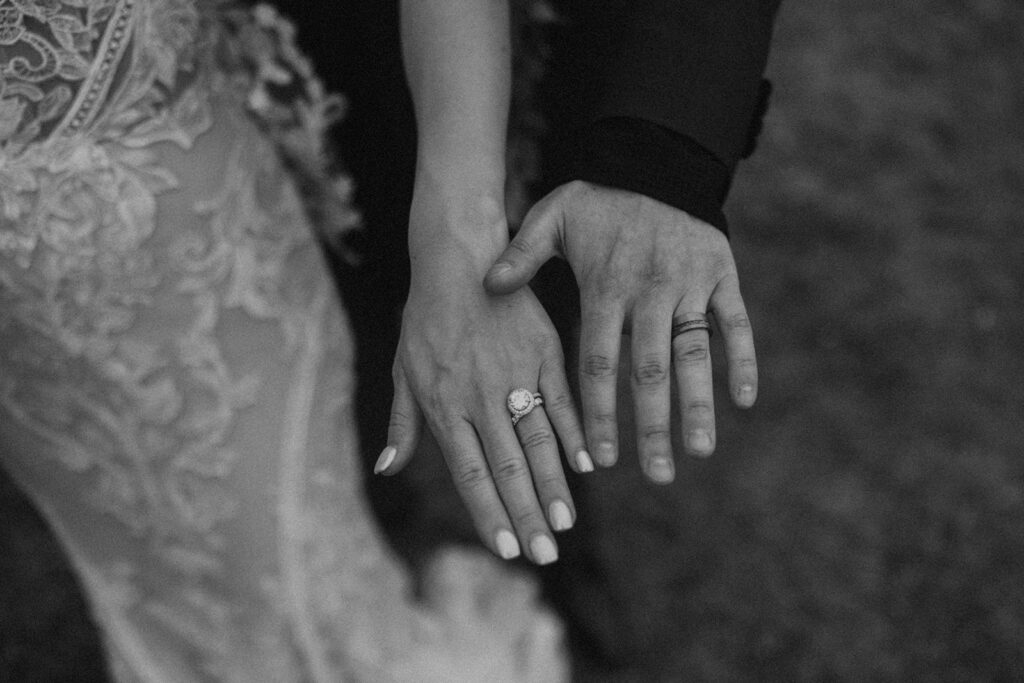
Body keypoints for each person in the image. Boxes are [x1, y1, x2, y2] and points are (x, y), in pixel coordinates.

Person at [0, 2, 566, 680]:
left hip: (172, 252)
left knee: (283, 570)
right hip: (28, 349)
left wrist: (461, 240)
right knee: (144, 581)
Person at [356, 0, 782, 678]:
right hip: (300, 66)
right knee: (344, 304)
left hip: (554, 47)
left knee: (530, 313)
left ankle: (558, 556)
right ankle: (368, 502)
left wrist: (658, 160)